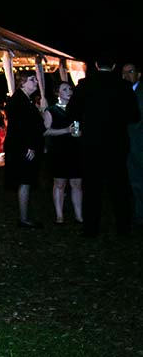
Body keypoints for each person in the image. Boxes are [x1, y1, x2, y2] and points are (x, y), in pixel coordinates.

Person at [66, 56, 140, 236]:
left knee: (91, 188)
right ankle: (124, 228)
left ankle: (91, 228)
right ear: (114, 66)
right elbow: (134, 116)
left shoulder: (84, 85)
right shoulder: (123, 86)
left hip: (91, 144)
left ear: (96, 65)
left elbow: (71, 111)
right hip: (117, 144)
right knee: (119, 188)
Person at [4, 73, 46, 228]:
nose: (35, 82)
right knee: (24, 180)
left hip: (23, 145)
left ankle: (24, 216)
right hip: (22, 147)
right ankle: (23, 218)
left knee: (26, 181)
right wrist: (29, 146)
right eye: (32, 80)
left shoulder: (24, 100)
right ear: (22, 83)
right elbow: (20, 127)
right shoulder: (18, 101)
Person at [43, 81, 83, 224]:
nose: (69, 91)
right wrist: (65, 131)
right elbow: (46, 131)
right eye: (65, 89)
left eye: (70, 89)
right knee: (59, 183)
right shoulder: (51, 110)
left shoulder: (77, 109)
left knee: (77, 183)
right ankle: (59, 215)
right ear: (57, 93)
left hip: (76, 150)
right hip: (59, 151)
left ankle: (79, 215)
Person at [123, 63, 143, 225]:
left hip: (138, 143)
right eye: (124, 73)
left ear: (138, 74)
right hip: (130, 144)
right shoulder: (125, 93)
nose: (126, 75)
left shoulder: (140, 94)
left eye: (130, 72)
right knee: (135, 180)